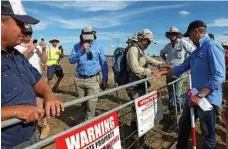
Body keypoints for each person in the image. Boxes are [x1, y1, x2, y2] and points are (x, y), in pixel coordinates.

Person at [1, 0, 64, 148]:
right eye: (20, 24)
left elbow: (37, 80)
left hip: (30, 137)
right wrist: (15, 111)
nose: (24, 30)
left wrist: (49, 95)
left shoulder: (16, 55)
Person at [157, 20, 225, 149]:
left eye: (190, 35)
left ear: (197, 32)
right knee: (183, 127)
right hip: (193, 96)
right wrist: (164, 72)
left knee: (207, 136)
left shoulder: (212, 46)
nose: (189, 39)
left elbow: (219, 76)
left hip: (207, 99)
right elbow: (183, 67)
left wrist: (200, 95)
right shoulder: (196, 51)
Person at [126, 29, 168, 148]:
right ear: (142, 39)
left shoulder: (141, 50)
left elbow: (149, 59)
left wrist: (160, 65)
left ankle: (140, 137)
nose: (149, 43)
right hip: (133, 85)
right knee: (136, 111)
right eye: (148, 41)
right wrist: (150, 71)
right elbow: (134, 68)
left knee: (141, 110)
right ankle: (135, 140)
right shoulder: (133, 49)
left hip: (140, 84)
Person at [14, 25, 50, 140]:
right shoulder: (16, 48)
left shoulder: (37, 47)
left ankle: (45, 125)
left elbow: (44, 61)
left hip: (37, 81)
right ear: (21, 34)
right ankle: (31, 130)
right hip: (23, 82)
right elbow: (16, 64)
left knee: (41, 103)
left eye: (30, 33)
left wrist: (43, 50)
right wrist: (28, 52)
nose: (28, 36)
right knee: (29, 105)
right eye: (26, 33)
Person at [69, 26, 108, 120]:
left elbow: (104, 63)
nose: (88, 41)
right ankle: (84, 117)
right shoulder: (76, 46)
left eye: (90, 39)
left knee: (91, 105)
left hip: (93, 80)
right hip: (79, 80)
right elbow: (71, 60)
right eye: (86, 39)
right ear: (81, 37)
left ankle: (88, 124)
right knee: (82, 103)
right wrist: (81, 50)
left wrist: (105, 78)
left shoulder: (99, 47)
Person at [160, 26, 195, 114]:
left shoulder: (183, 43)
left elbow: (193, 51)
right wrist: (166, 62)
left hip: (179, 72)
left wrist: (187, 63)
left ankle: (179, 112)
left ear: (177, 35)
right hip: (169, 73)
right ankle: (172, 110)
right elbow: (161, 53)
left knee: (177, 94)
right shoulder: (167, 46)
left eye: (174, 34)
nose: (172, 36)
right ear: (169, 36)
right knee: (171, 93)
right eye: (170, 34)